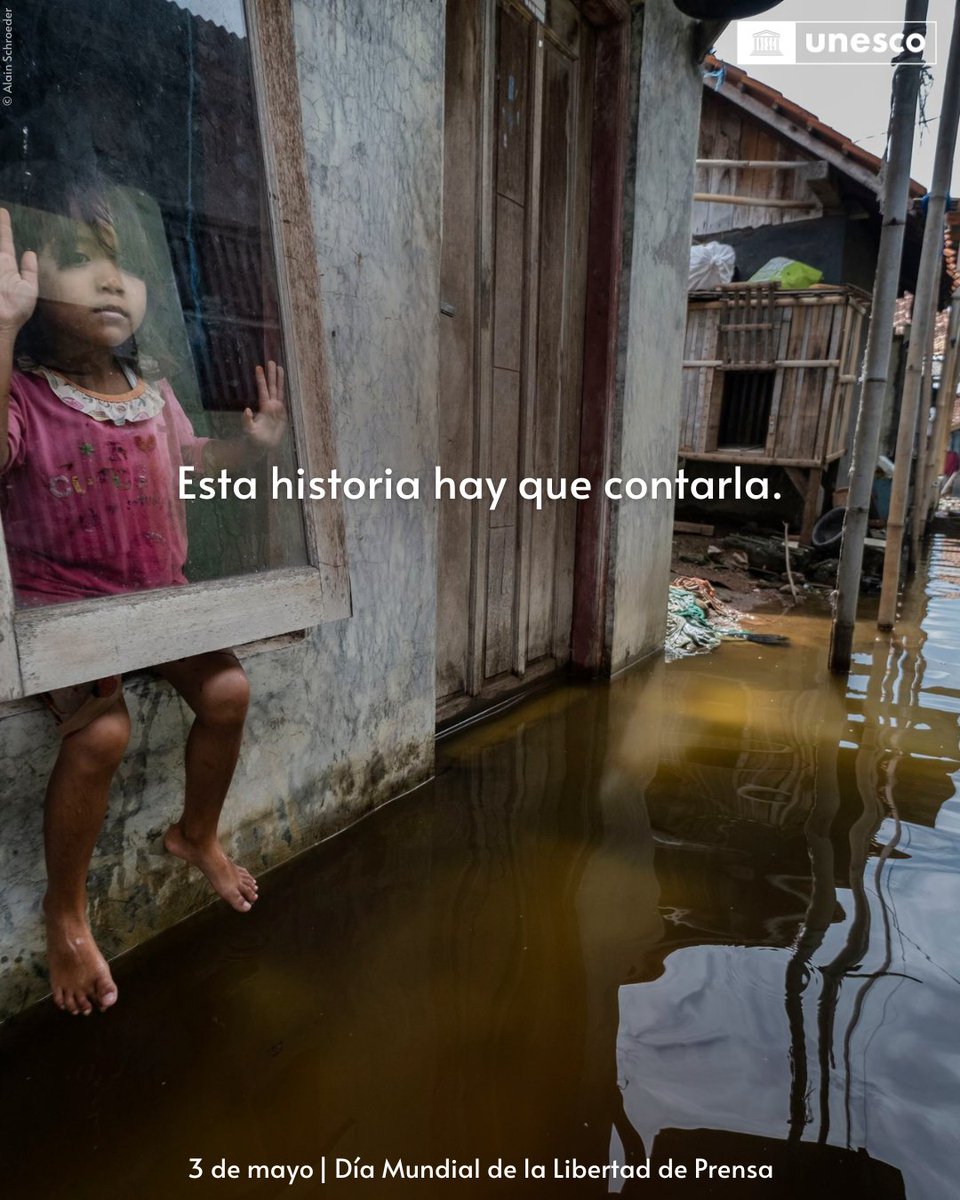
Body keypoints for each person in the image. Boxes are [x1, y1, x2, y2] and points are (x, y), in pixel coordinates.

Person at [0, 180, 286, 1017]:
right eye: (80, 262)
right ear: (29, 285)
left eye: (122, 265)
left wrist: (251, 446)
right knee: (104, 733)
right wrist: (4, 329)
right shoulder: (27, 398)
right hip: (66, 612)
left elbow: (192, 468)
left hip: (159, 602)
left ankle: (194, 833)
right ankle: (66, 912)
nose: (110, 281)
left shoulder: (152, 393)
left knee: (229, 691)